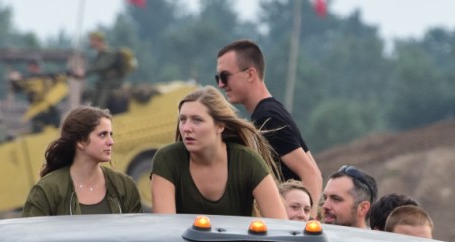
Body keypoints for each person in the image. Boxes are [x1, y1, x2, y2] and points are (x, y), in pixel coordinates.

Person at [150, 86, 285, 219]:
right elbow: (165, 228)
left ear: (220, 126)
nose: (186, 128)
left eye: (197, 120)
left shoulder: (248, 162)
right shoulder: (167, 159)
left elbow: (280, 225)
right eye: (183, 120)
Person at [216, 39, 322, 205]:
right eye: (218, 78)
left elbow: (311, 175)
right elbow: (314, 171)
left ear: (250, 74)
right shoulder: (272, 111)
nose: (221, 85)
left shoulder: (267, 118)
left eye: (225, 76)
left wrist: (307, 224)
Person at [23, 106, 142, 217]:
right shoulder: (48, 189)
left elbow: (137, 235)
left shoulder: (125, 186)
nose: (111, 142)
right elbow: (30, 236)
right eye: (102, 135)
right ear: (81, 141)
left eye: (111, 134)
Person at [83, 31, 134, 110]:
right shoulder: (100, 55)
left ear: (98, 40)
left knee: (100, 105)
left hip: (111, 84)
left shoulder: (109, 53)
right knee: (90, 96)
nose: (91, 42)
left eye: (92, 40)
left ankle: (100, 116)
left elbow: (100, 66)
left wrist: (84, 72)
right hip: (103, 83)